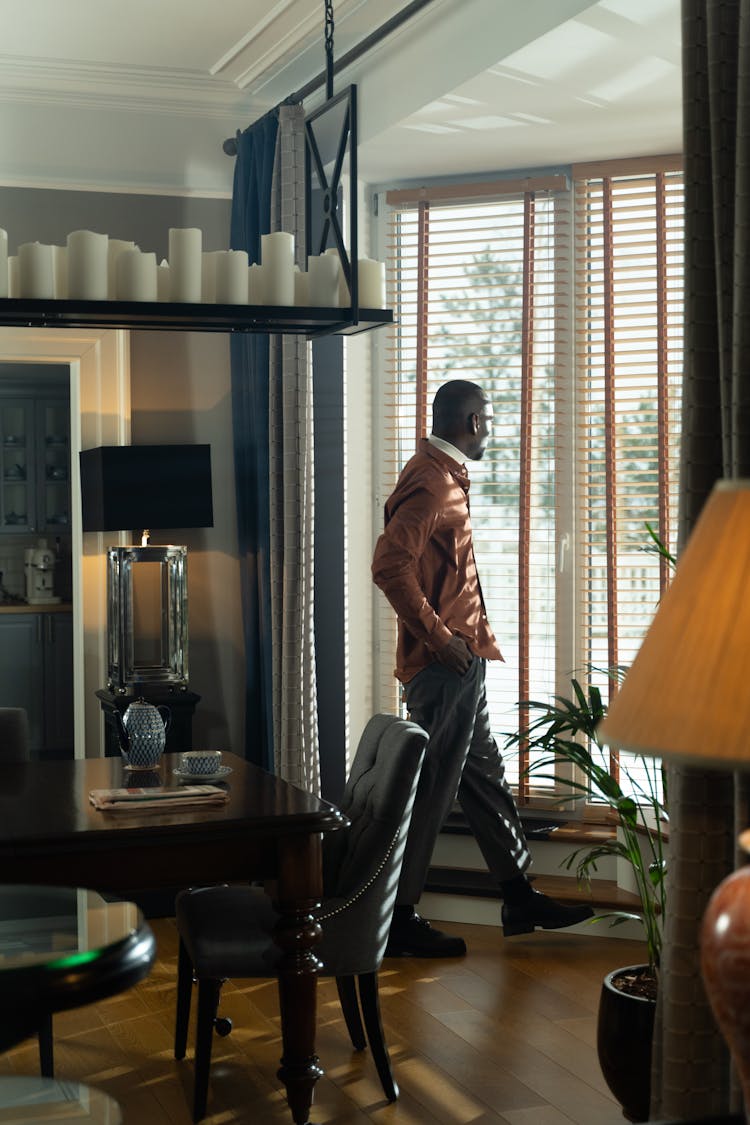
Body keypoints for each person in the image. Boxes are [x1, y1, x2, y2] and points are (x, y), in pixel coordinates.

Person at [372, 379, 594, 956]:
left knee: (483, 776)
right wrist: (442, 639)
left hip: (460, 662)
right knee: (432, 789)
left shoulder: (438, 476)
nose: (490, 432)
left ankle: (518, 894)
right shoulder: (431, 483)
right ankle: (397, 918)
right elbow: (390, 567)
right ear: (471, 423)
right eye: (488, 422)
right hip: (445, 666)